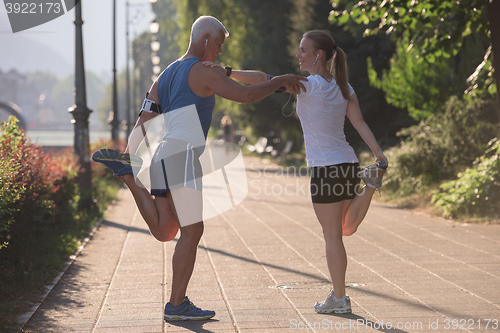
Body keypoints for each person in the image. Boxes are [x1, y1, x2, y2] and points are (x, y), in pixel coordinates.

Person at [91, 16, 307, 322]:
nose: (219, 52)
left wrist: (129, 155)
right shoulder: (202, 73)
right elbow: (246, 95)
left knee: (167, 230)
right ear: (205, 39)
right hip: (183, 155)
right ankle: (176, 305)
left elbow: (143, 121)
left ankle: (130, 178)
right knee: (193, 230)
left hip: (163, 155)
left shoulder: (165, 74)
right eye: (218, 44)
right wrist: (280, 81)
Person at [203, 30, 388, 315]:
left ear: (319, 55)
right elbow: (360, 122)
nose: (298, 55)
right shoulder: (344, 88)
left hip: (325, 168)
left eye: (304, 50)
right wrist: (379, 155)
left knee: (333, 236)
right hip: (348, 163)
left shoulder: (307, 86)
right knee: (346, 228)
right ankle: (370, 186)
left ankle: (339, 297)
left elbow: (264, 80)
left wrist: (228, 71)